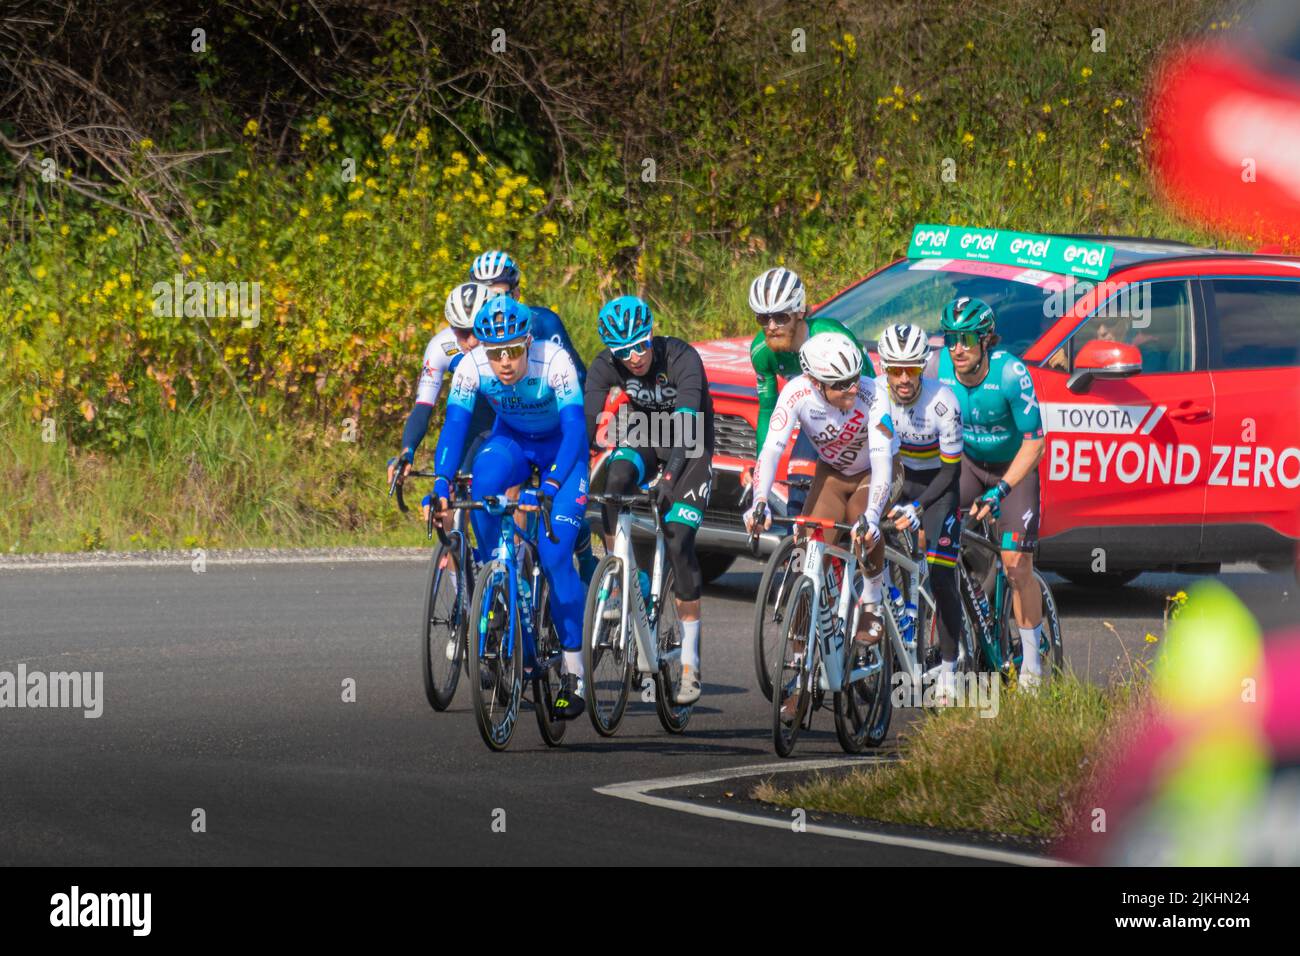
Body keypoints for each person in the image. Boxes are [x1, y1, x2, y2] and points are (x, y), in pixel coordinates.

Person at [428, 294, 591, 718]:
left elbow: (576, 428)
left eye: (512, 351)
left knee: (555, 556)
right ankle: (496, 581)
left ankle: (575, 674)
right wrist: (442, 483)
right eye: (495, 352)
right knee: (483, 486)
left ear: (527, 343)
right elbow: (455, 427)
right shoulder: (471, 366)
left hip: (563, 451)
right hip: (513, 443)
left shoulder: (553, 359)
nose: (503, 362)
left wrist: (553, 483)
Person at [743, 332, 899, 720]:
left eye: (854, 379)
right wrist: (759, 500)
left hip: (876, 472)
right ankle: (800, 676)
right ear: (815, 382)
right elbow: (772, 449)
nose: (851, 389)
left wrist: (873, 518)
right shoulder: (796, 394)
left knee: (863, 529)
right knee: (806, 558)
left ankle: (873, 603)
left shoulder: (873, 394)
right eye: (840, 385)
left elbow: (882, 465)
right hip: (831, 473)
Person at [584, 295, 714, 704]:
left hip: (690, 441)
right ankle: (625, 577)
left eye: (641, 345)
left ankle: (690, 661)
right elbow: (586, 424)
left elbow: (686, 428)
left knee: (677, 537)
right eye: (624, 351)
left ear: (651, 333)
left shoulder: (681, 358)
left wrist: (670, 478)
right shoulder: (605, 365)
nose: (635, 357)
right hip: (643, 430)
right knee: (614, 481)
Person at [936, 296, 1048, 690]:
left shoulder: (1011, 374)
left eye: (966, 338)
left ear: (986, 341)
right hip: (968, 463)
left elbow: (1035, 443)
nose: (957, 348)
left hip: (1011, 468)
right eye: (950, 338)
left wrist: (1002, 489)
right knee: (936, 545)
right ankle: (958, 643)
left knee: (1016, 563)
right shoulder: (940, 369)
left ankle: (1032, 669)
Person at [467, 250, 599, 584]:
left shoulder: (544, 323)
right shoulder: (473, 334)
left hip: (554, 420)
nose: (492, 301)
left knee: (552, 511)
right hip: (510, 424)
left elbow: (578, 379)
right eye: (485, 294)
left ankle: (580, 545)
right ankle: (508, 581)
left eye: (499, 292)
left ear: (516, 292)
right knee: (498, 488)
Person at [876, 322, 965, 702]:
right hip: (900, 477)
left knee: (942, 573)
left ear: (923, 366)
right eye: (895, 369)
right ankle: (896, 614)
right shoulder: (877, 397)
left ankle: (948, 668)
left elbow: (951, 470)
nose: (903, 378)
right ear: (884, 368)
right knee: (869, 546)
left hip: (937, 487)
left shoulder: (943, 402)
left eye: (911, 369)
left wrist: (918, 506)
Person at [748, 266, 877, 453]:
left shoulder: (832, 337)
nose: (772, 326)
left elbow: (867, 396)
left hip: (856, 409)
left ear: (799, 312)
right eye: (763, 318)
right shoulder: (762, 352)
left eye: (781, 317)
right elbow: (768, 411)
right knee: (799, 477)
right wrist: (761, 463)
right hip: (815, 416)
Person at [389, 283, 494, 491]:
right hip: (470, 422)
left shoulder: (503, 344)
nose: (472, 341)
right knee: (450, 493)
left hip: (509, 420)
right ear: (452, 328)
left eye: (477, 331)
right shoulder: (440, 346)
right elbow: (423, 406)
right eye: (463, 333)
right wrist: (407, 450)